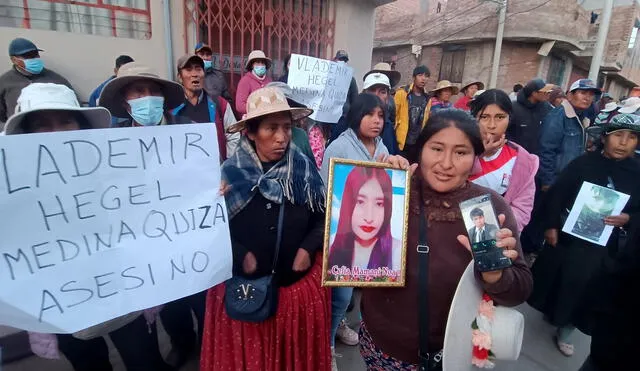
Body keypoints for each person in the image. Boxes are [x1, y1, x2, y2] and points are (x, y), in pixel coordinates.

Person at [7, 83, 171, 371]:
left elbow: (158, 203)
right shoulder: (11, 188)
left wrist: (205, 191)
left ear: (81, 126)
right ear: (26, 134)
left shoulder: (115, 168)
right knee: (89, 364)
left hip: (125, 291)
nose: (56, 132)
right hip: (63, 302)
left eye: (66, 121)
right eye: (43, 125)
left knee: (145, 361)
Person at [359, 109, 532, 369]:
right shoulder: (394, 189)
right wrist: (380, 180)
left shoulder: (482, 209)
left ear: (475, 157)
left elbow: (519, 289)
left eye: (461, 152)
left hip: (449, 352)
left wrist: (495, 275)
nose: (446, 163)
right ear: (421, 149)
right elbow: (349, 251)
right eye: (437, 149)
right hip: (381, 344)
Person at [199, 87, 330, 371]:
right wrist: (239, 253)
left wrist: (308, 248)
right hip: (245, 292)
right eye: (271, 128)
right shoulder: (228, 176)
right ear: (251, 132)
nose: (282, 137)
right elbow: (209, 231)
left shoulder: (304, 170)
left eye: (286, 127)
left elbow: (323, 217)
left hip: (294, 292)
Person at [98, 62, 202, 368]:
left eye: (153, 91)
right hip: (145, 248)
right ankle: (184, 344)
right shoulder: (109, 143)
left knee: (204, 304)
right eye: (139, 91)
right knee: (171, 307)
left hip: (193, 240)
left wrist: (218, 184)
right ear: (125, 100)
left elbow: (207, 178)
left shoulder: (189, 133)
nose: (148, 97)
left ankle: (212, 350)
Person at [528, 113, 640, 357]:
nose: (624, 142)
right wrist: (550, 226)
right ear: (604, 138)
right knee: (561, 280)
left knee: (587, 289)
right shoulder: (583, 163)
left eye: (632, 137)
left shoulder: (638, 172)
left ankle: (568, 329)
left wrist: (629, 219)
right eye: (618, 135)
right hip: (570, 237)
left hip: (605, 246)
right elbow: (557, 194)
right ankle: (553, 312)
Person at [321, 93, 392, 368]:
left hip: (375, 234)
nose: (376, 121)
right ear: (356, 116)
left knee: (366, 295)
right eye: (369, 115)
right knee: (341, 295)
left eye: (381, 116)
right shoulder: (338, 148)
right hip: (344, 234)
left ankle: (338, 327)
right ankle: (326, 346)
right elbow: (326, 194)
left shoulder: (383, 149)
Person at [469, 89, 539, 232]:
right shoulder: (457, 150)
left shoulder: (522, 161)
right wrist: (478, 155)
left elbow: (522, 207)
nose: (492, 125)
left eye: (500, 117)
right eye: (484, 117)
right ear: (475, 118)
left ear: (509, 119)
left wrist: (498, 228)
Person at [327, 166, 401, 272]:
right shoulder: (329, 246)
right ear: (348, 203)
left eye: (379, 204)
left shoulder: (398, 252)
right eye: (360, 202)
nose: (369, 217)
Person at [171, 54, 239, 160]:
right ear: (180, 77)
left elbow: (233, 136)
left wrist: (227, 166)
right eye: (188, 70)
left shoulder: (220, 104)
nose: (194, 74)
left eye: (198, 69)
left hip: (215, 172)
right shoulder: (170, 107)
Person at [538, 79, 601, 190]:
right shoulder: (558, 116)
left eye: (591, 95)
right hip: (556, 180)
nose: (587, 98)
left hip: (571, 178)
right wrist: (547, 181)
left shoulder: (583, 117)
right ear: (570, 95)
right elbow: (546, 150)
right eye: (583, 93)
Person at [0, 38, 74, 128]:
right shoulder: (4, 82)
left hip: (55, 130)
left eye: (35, 54)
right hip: (18, 134)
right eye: (27, 55)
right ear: (14, 60)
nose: (34, 58)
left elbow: (75, 110)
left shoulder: (57, 80)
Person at [98, 62, 187, 128]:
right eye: (139, 90)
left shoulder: (187, 127)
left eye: (155, 90)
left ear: (163, 97)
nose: (148, 96)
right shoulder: (113, 136)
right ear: (124, 103)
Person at [506, 78, 554, 155]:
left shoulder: (547, 108)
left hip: (538, 158)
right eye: (544, 91)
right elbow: (504, 132)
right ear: (534, 93)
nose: (548, 94)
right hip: (515, 156)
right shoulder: (513, 108)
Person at [394, 65, 431, 162]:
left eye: (426, 76)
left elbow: (425, 121)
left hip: (417, 143)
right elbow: (394, 115)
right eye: (420, 75)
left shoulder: (427, 98)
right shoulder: (402, 93)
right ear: (414, 77)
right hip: (402, 142)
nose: (423, 79)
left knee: (413, 171)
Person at [88, 55, 134, 127]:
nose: (127, 74)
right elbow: (92, 120)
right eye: (124, 71)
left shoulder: (137, 90)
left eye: (131, 71)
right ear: (116, 71)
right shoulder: (99, 93)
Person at [235, 50, 272, 116]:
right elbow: (239, 106)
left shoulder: (269, 81)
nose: (261, 65)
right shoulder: (245, 81)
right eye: (257, 63)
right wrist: (259, 109)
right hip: (253, 119)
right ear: (252, 65)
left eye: (263, 63)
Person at [334, 50, 359, 117]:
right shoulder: (327, 76)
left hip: (343, 116)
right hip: (327, 115)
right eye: (340, 59)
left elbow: (354, 98)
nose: (342, 62)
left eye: (344, 60)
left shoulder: (351, 79)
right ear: (335, 60)